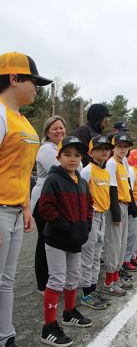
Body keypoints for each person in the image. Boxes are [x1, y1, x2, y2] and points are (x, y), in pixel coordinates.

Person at [0, 51, 52, 347]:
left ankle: (5, 342)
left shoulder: (23, 120)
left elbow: (22, 171)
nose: (38, 87)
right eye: (33, 80)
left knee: (5, 283)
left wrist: (25, 206)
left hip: (15, 210)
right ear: (15, 79)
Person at [39, 136, 93, 347]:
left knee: (73, 278)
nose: (73, 159)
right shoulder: (54, 179)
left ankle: (69, 313)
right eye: (67, 154)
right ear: (58, 156)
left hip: (76, 239)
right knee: (57, 279)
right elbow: (46, 208)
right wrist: (68, 227)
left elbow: (89, 206)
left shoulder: (81, 181)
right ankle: (49, 327)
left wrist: (85, 226)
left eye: (77, 155)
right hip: (57, 239)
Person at [31, 115, 66, 295]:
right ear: (47, 132)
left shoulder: (62, 149)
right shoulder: (46, 149)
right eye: (55, 128)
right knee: (45, 240)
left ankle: (54, 280)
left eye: (61, 128)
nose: (59, 131)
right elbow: (63, 170)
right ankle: (42, 284)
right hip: (43, 200)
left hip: (57, 200)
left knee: (55, 240)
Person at [80, 135, 113, 309]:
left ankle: (92, 289)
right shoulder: (87, 170)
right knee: (88, 255)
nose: (105, 152)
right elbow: (80, 195)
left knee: (96, 255)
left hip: (103, 216)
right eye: (100, 149)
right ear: (91, 152)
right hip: (91, 217)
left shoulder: (105, 171)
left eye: (107, 149)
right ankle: (86, 293)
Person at [103, 134, 136, 296]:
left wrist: (131, 208)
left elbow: (127, 187)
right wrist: (116, 214)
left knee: (121, 245)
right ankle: (108, 282)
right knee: (113, 245)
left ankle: (115, 277)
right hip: (115, 207)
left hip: (124, 205)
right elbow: (111, 189)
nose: (123, 149)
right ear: (113, 147)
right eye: (120, 146)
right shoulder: (111, 163)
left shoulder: (124, 163)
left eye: (126, 146)